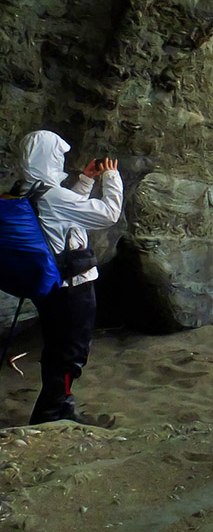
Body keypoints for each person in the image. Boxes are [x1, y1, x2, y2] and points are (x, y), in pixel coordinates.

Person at [15, 131, 123, 425]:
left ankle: (57, 407)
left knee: (56, 346)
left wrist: (86, 180)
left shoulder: (25, 189)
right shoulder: (53, 195)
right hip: (72, 287)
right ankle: (53, 414)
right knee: (70, 352)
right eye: (58, 156)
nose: (60, 160)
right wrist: (111, 178)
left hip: (48, 286)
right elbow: (107, 214)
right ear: (49, 158)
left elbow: (64, 215)